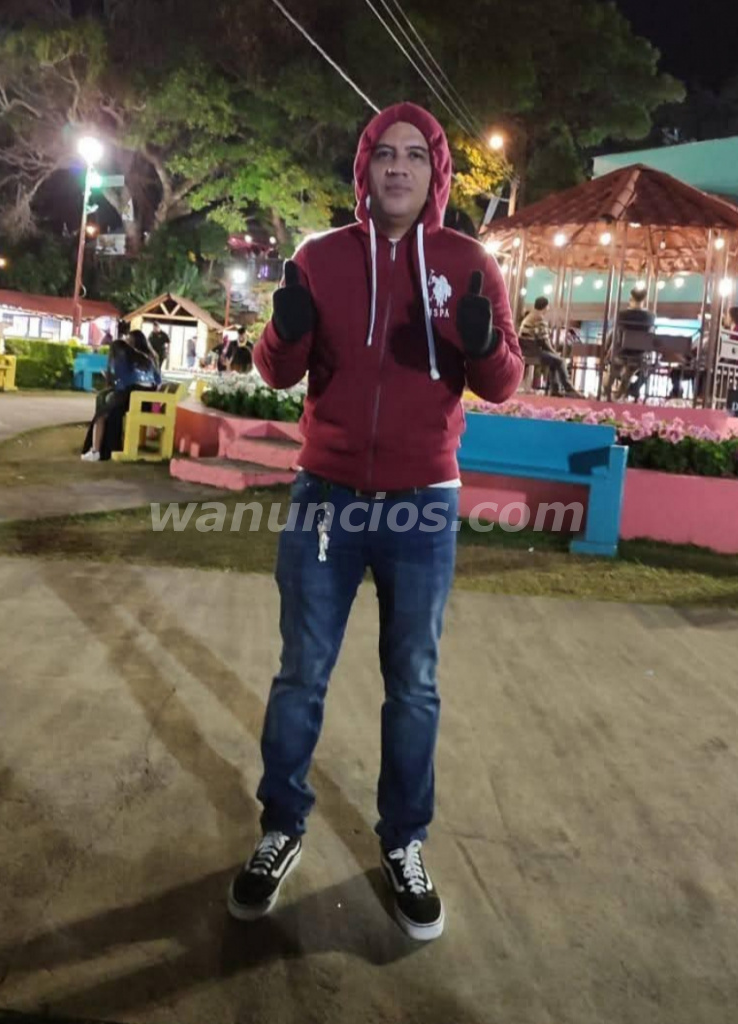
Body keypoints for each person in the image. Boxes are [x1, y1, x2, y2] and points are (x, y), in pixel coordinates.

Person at [228, 102, 523, 940]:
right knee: (300, 675)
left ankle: (403, 842)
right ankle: (281, 826)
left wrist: (482, 345)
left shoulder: (468, 263)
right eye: (383, 153)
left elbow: (502, 381)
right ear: (363, 169)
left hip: (422, 503)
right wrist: (282, 332)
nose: (397, 167)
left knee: (413, 684)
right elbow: (277, 370)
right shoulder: (318, 257)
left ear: (435, 174)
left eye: (413, 156)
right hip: (324, 497)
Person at [80, 329, 161, 462]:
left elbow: (123, 384)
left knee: (103, 413)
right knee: (105, 401)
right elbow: (157, 383)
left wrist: (110, 379)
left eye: (129, 341)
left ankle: (96, 450)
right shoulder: (148, 359)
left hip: (133, 397)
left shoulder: (126, 358)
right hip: (146, 398)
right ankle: (107, 448)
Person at [518, 297, 580, 396]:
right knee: (560, 360)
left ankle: (555, 389)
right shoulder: (539, 318)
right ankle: (569, 389)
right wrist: (554, 352)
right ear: (545, 306)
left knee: (554, 360)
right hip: (534, 352)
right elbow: (544, 341)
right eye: (548, 306)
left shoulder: (530, 316)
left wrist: (553, 354)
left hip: (526, 351)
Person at [614, 286, 656, 399]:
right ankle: (628, 389)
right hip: (639, 354)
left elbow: (617, 335)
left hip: (621, 352)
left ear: (631, 300)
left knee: (613, 335)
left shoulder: (622, 314)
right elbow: (650, 336)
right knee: (647, 367)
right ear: (644, 300)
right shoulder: (650, 317)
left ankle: (618, 391)